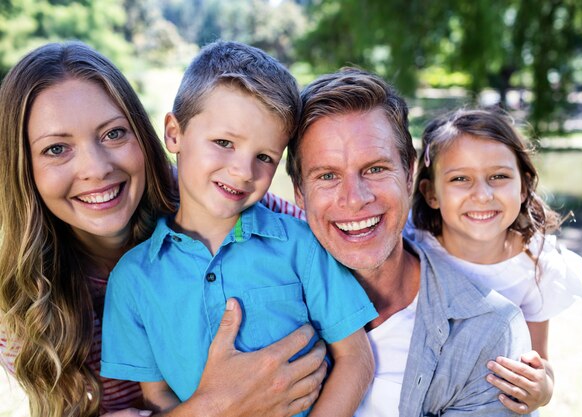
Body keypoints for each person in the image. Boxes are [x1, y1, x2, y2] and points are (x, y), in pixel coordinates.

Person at [0, 41, 326, 417]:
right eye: (57, 149)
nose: (97, 168)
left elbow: (337, 243)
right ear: (25, 169)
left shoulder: (218, 197)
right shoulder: (28, 307)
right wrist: (218, 407)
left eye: (113, 134)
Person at [100, 41, 377, 417]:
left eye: (264, 157)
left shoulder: (301, 245)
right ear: (173, 133)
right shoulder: (132, 279)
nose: (243, 172)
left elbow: (356, 358)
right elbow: (156, 396)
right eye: (224, 143)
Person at [285, 67, 534, 416]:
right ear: (299, 191)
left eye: (375, 169)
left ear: (408, 174)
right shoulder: (251, 306)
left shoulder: (487, 333)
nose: (354, 199)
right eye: (327, 176)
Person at [408, 108, 582, 413]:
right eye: (460, 178)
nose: (483, 194)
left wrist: (543, 388)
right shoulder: (412, 245)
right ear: (431, 193)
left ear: (524, 185)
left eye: (499, 176)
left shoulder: (537, 265)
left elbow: (538, 359)